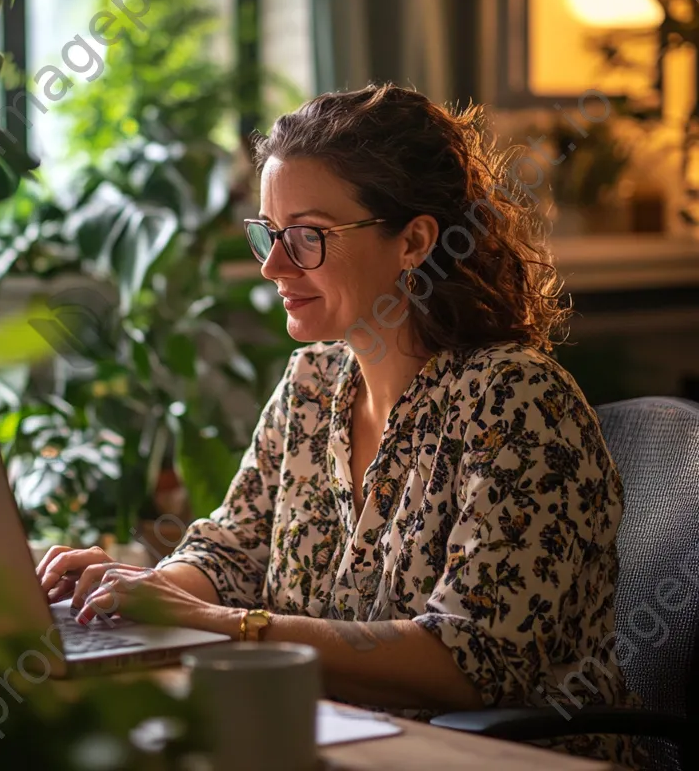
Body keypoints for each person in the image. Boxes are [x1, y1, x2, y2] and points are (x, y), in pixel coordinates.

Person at [36, 84, 638, 767]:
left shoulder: (519, 402)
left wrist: (221, 627)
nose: (272, 266)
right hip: (336, 746)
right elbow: (232, 553)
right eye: (269, 232)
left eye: (307, 237)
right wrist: (135, 591)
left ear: (412, 240)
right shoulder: (311, 386)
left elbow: (472, 661)